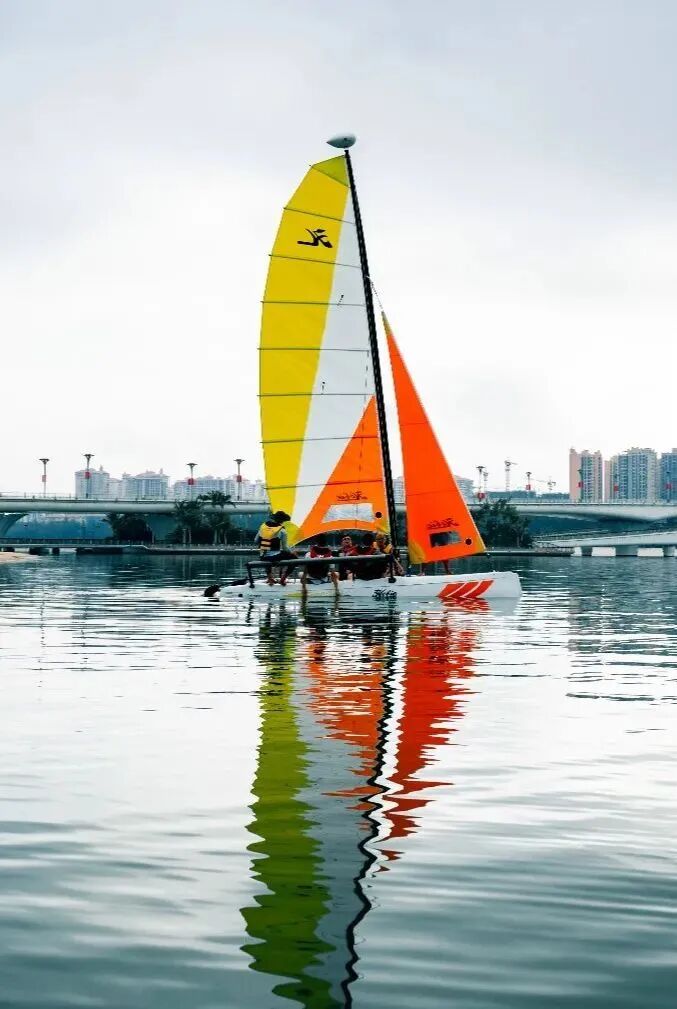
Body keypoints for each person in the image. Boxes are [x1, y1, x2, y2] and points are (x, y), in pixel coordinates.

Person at [254, 510, 295, 586]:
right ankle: (283, 579)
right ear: (283, 521)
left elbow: (255, 541)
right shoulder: (282, 530)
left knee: (266, 553)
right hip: (274, 558)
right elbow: (285, 548)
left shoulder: (263, 527)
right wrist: (292, 552)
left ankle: (270, 578)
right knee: (294, 558)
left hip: (262, 556)